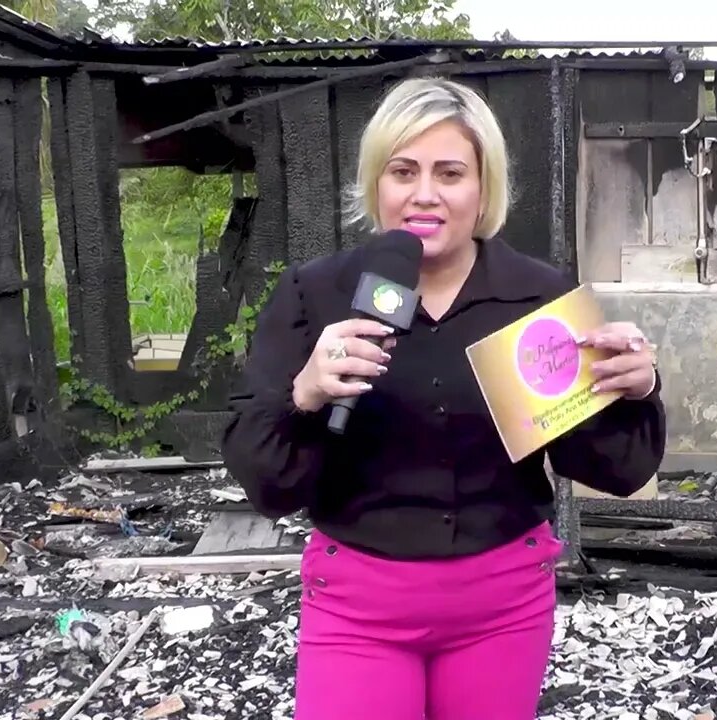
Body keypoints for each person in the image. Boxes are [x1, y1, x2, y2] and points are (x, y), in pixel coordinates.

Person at [220, 76, 666, 720]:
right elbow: (265, 482)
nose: (423, 194)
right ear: (377, 181)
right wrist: (305, 394)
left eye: (450, 172)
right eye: (404, 171)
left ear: (483, 188)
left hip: (502, 607)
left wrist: (636, 389)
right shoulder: (316, 295)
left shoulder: (534, 300)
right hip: (357, 606)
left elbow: (613, 468)